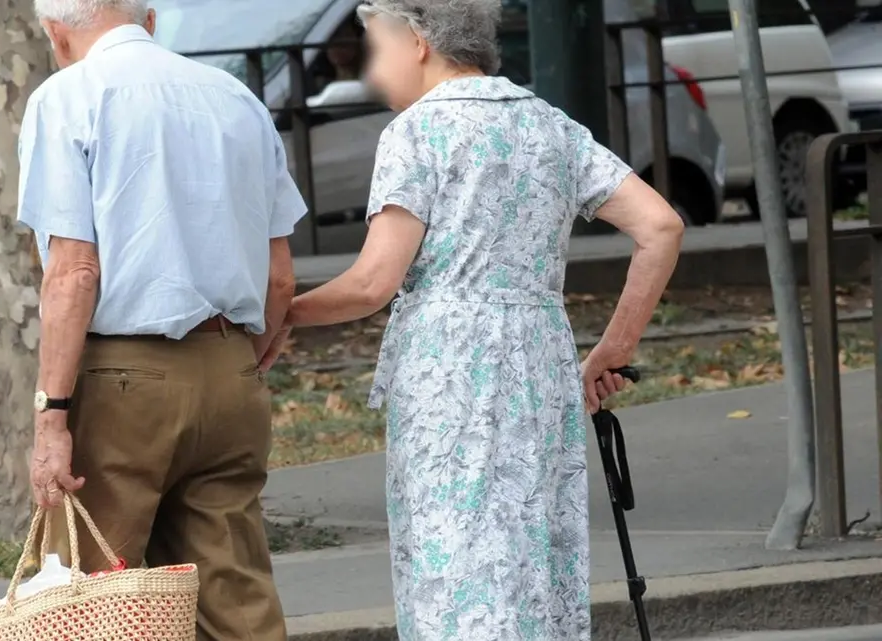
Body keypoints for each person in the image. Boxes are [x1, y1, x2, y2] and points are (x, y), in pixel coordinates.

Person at [260, 0, 684, 639]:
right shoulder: (548, 124)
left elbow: (374, 282)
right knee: (533, 558)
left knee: (457, 560)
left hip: (452, 369)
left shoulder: (415, 133)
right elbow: (660, 225)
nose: (374, 73)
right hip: (540, 358)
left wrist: (282, 313)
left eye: (376, 49)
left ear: (418, 40)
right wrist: (612, 349)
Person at [17, 1, 307, 639]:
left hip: (122, 377)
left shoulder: (67, 97)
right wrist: (245, 358)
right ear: (150, 21)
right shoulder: (235, 98)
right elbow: (279, 274)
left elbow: (74, 273)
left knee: (99, 602)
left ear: (55, 33)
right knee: (235, 597)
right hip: (229, 367)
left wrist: (52, 416)